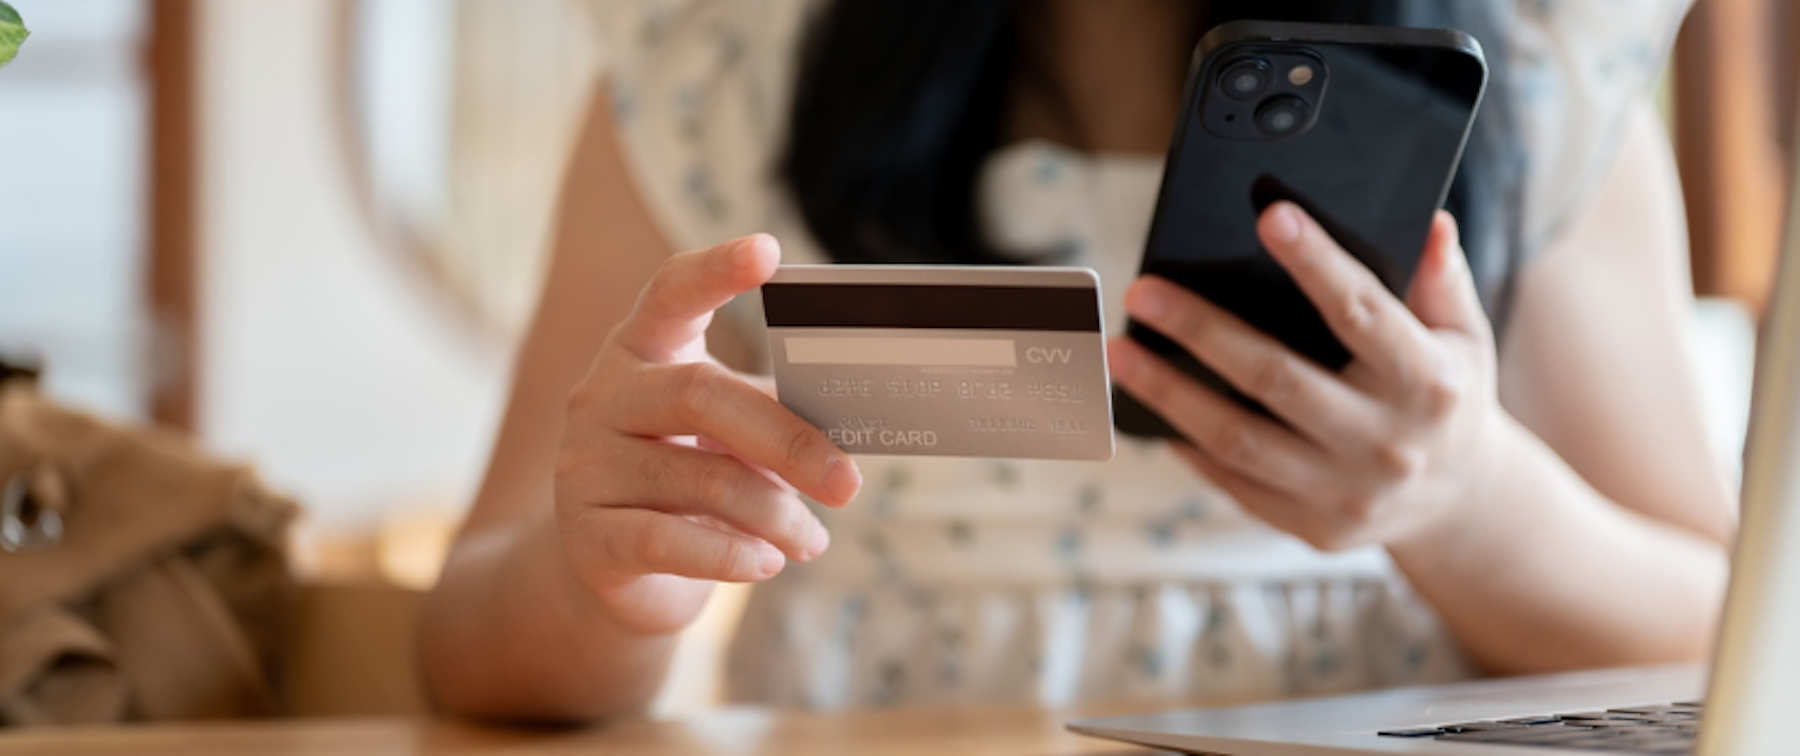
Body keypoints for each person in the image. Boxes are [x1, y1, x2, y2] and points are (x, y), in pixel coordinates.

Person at [420, 0, 1734, 721]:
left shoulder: (1530, 90)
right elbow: (464, 649)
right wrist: (606, 581)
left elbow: (1722, 639)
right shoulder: (711, 77)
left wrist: (1468, 503)